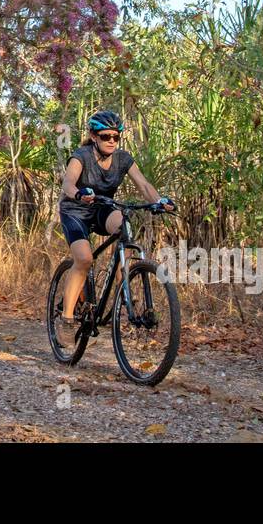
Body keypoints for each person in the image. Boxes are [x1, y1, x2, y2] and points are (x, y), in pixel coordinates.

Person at [55, 110, 174, 347]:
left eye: (116, 137)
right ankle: (66, 320)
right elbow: (68, 182)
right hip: (75, 210)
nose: (111, 140)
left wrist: (159, 201)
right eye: (105, 136)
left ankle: (124, 287)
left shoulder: (122, 159)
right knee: (84, 259)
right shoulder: (81, 156)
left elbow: (143, 184)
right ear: (93, 136)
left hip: (102, 208)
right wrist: (78, 193)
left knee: (123, 225)